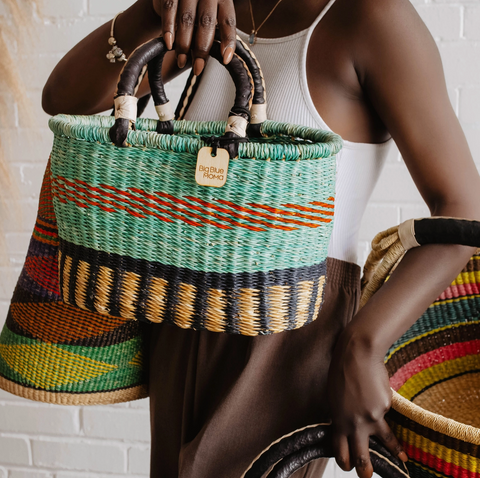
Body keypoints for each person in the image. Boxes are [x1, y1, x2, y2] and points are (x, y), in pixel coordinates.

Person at [42, 1, 480, 477]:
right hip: (179, 311)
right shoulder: (214, 8)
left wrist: (363, 343)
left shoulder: (370, 17)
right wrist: (154, 8)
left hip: (284, 332)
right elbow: (63, 99)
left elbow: (464, 208)